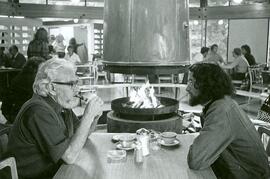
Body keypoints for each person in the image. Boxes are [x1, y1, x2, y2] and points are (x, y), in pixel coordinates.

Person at [7, 58, 103, 178]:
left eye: (76, 82)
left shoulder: (61, 104)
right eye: (71, 84)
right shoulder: (38, 111)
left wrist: (94, 117)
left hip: (55, 172)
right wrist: (88, 115)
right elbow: (69, 156)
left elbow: (81, 135)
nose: (77, 89)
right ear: (52, 88)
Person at [186, 63, 270, 179]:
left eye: (191, 82)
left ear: (207, 85)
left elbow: (196, 160)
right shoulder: (221, 103)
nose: (187, 88)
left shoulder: (222, 111)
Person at [1, 56, 45, 123]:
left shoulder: (23, 76)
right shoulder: (29, 80)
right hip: (19, 116)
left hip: (13, 112)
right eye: (42, 69)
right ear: (33, 68)